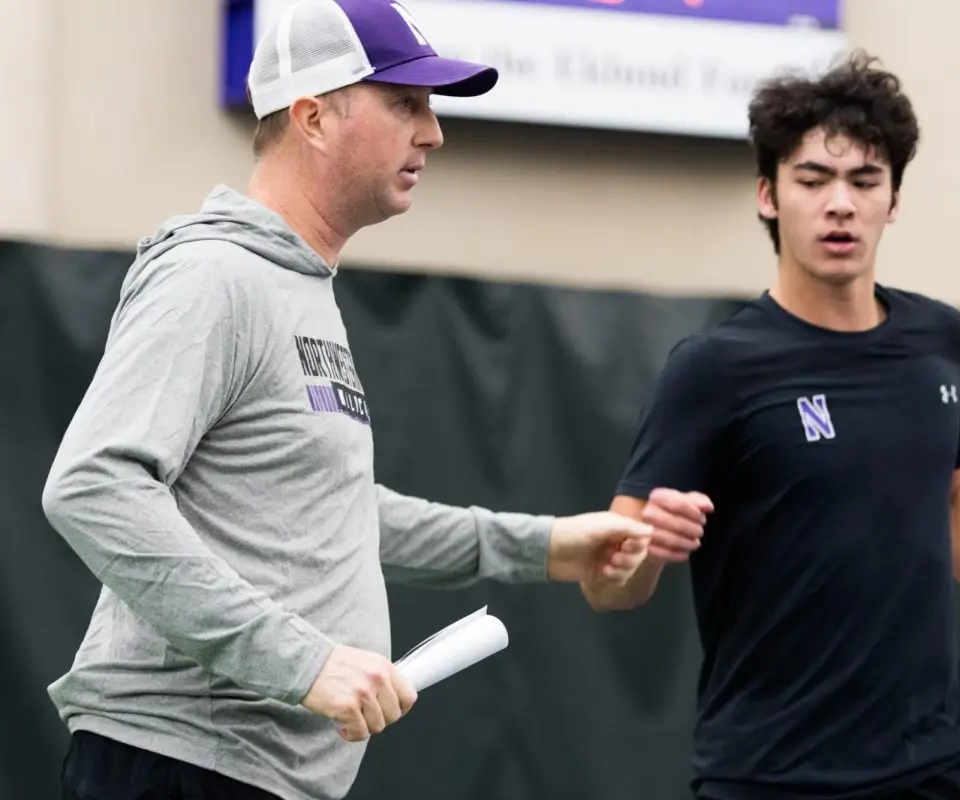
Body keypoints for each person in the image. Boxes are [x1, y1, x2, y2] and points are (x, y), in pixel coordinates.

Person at [39, 2, 706, 799]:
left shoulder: (295, 286)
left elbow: (332, 511)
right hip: (179, 765)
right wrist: (304, 661)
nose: (433, 133)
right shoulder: (214, 276)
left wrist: (548, 545)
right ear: (314, 117)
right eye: (405, 104)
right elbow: (91, 486)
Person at [582, 51, 960, 799]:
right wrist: (649, 550)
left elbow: (953, 494)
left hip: (936, 763)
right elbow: (608, 590)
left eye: (865, 182)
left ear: (893, 200)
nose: (841, 204)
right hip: (773, 777)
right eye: (813, 180)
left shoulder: (937, 340)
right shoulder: (712, 369)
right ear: (767, 195)